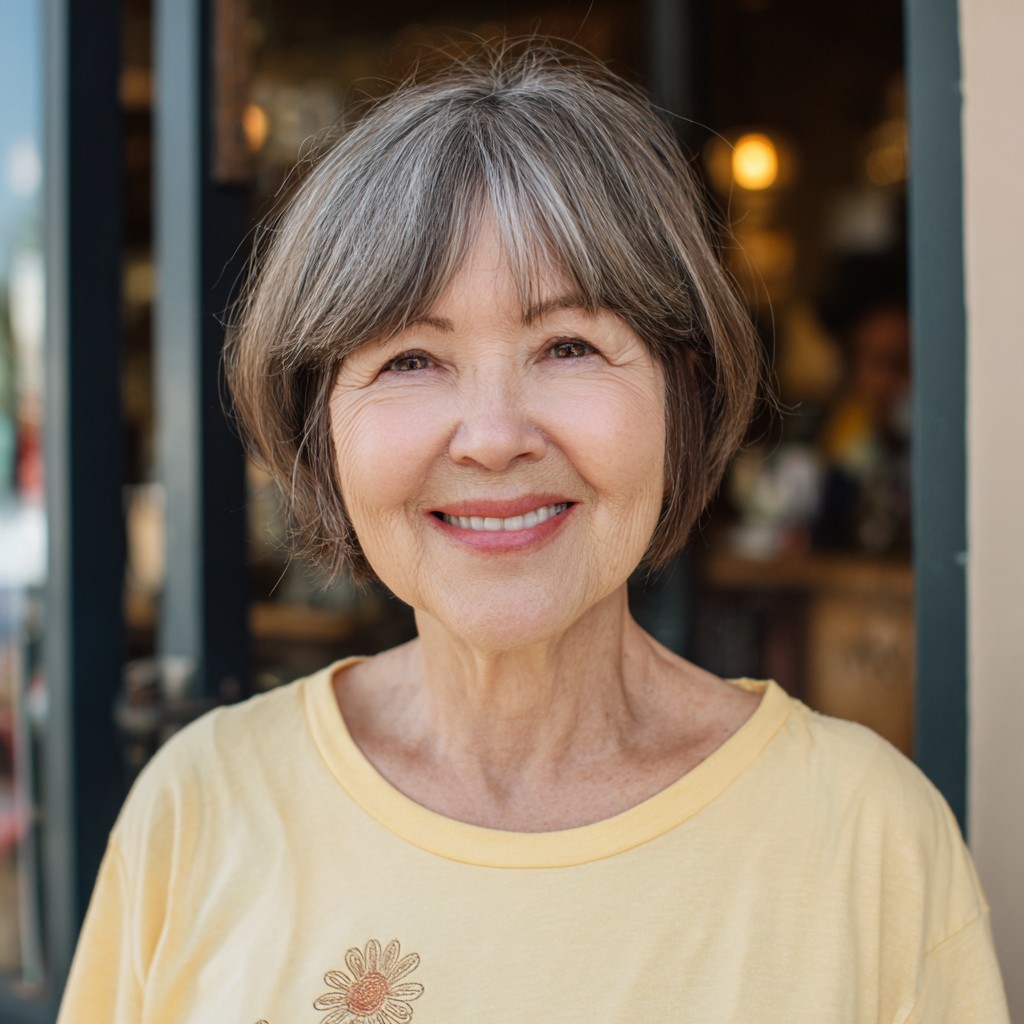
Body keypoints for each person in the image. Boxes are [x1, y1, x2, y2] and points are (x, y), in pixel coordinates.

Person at [58, 46, 1008, 1023]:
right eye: (412, 357)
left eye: (567, 347)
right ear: (320, 422)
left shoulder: (864, 839)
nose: (494, 438)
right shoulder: (204, 808)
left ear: (681, 389)